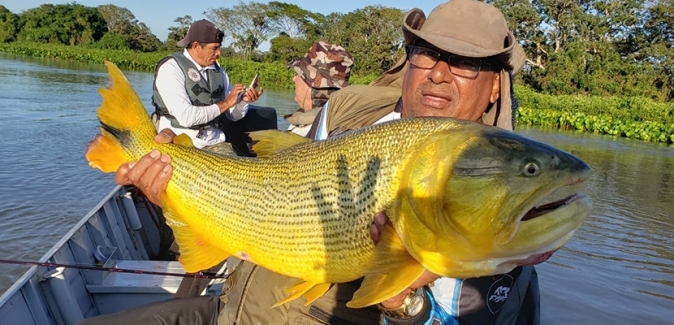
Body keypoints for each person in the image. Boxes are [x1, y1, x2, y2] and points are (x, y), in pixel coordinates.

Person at [86, 1, 539, 324]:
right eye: (428, 53)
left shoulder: (501, 196)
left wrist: (402, 305)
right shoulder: (351, 110)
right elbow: (275, 184)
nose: (439, 71)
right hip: (232, 308)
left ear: (496, 86)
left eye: (464, 63)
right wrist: (172, 184)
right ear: (410, 58)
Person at [151, 19, 263, 155]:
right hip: (178, 142)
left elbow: (233, 116)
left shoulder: (219, 71)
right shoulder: (171, 68)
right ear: (196, 46)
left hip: (214, 143)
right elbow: (186, 117)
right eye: (214, 48)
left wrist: (243, 101)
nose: (219, 53)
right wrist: (226, 103)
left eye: (219, 47)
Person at [284, 41, 353, 136]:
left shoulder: (317, 133)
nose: (294, 78)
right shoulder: (340, 123)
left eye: (298, 74)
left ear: (314, 88)